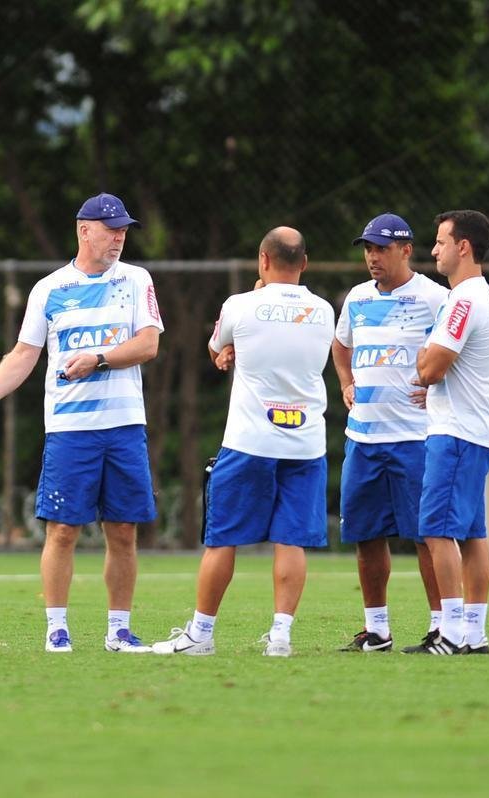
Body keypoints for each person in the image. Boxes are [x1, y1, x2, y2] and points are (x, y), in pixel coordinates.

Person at [0, 192, 163, 653]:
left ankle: (119, 631)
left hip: (124, 426)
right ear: (85, 230)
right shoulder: (49, 289)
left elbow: (147, 345)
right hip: (68, 429)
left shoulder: (136, 279)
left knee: (123, 530)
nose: (120, 238)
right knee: (62, 530)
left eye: (124, 230)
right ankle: (57, 629)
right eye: (112, 229)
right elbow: (24, 355)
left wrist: (99, 359)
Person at [153, 227, 334, 658]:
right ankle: (281, 636)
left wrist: (226, 350)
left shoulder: (240, 305)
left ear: (263, 260)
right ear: (304, 263)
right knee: (291, 540)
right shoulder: (325, 310)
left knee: (223, 539)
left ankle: (201, 634)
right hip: (305, 443)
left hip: (250, 439)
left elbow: (218, 347)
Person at [332, 213, 450, 653]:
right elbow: (340, 344)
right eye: (368, 248)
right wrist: (346, 381)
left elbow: (473, 344)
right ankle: (377, 629)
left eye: (381, 248)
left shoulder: (435, 298)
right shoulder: (358, 298)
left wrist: (440, 387)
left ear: (406, 250)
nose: (372, 257)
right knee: (365, 535)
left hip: (415, 438)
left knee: (426, 537)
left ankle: (442, 627)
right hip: (363, 438)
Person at [412, 210, 489, 654]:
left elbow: (430, 367)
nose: (434, 250)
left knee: (436, 530)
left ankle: (448, 632)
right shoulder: (479, 296)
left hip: (457, 434)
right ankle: (474, 632)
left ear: (463, 246)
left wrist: (424, 363)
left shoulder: (464, 300)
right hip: (474, 431)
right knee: (471, 534)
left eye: (441, 241)